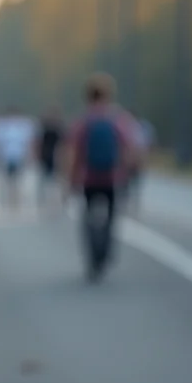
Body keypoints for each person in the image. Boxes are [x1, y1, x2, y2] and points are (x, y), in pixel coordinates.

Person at [68, 73, 136, 282]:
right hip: (112, 177)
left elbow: (74, 152)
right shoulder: (118, 119)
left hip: (89, 177)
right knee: (111, 218)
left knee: (88, 217)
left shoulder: (83, 120)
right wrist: (128, 173)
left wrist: (71, 179)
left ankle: (92, 257)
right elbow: (129, 148)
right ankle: (105, 251)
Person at [0, 106, 36, 203]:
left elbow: (29, 142)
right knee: (7, 178)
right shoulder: (2, 126)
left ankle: (15, 197)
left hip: (19, 156)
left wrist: (30, 155)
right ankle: (7, 197)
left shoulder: (24, 126)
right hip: (6, 156)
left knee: (18, 178)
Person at [34, 107, 65, 206]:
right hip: (48, 156)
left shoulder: (57, 129)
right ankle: (46, 200)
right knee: (46, 179)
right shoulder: (45, 129)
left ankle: (54, 200)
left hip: (54, 157)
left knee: (54, 180)